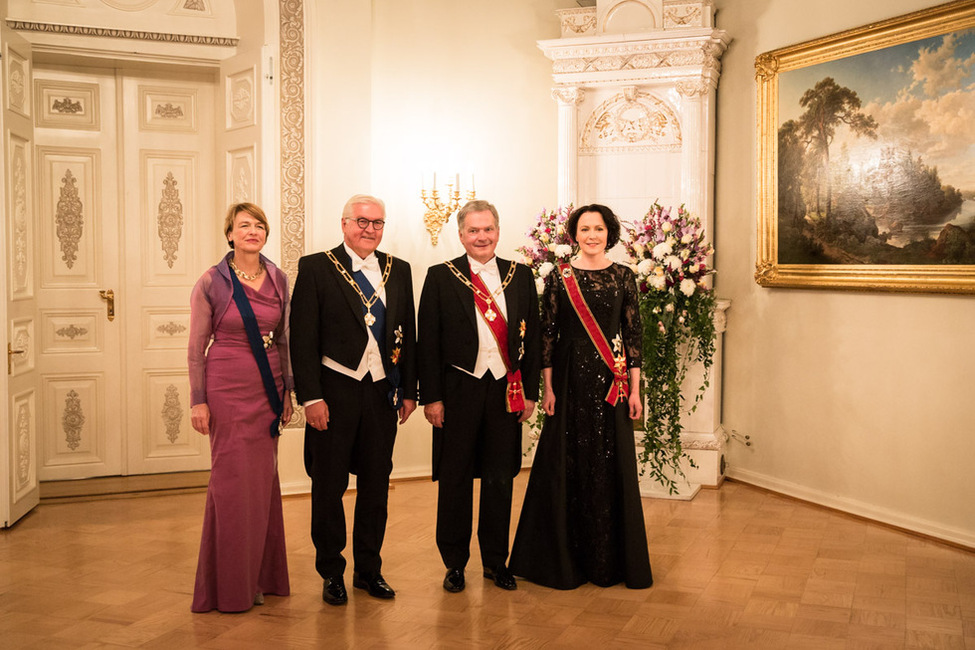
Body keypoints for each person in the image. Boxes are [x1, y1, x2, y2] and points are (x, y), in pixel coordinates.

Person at [509, 204, 653, 590]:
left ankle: (610, 561)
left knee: (610, 463)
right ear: (575, 234)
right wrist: (549, 388)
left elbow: (634, 335)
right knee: (566, 464)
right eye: (585, 229)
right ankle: (564, 560)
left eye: (599, 229)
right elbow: (549, 337)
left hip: (612, 384)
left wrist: (636, 389)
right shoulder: (560, 276)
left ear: (610, 233)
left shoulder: (624, 276)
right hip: (570, 380)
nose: (592, 235)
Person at [289, 194, 417, 606]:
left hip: (382, 393)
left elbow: (407, 336)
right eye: (361, 221)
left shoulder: (399, 270)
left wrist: (409, 390)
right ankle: (331, 571)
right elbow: (303, 338)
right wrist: (311, 397)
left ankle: (369, 570)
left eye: (377, 223)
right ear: (344, 223)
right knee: (329, 486)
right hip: (334, 392)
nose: (369, 229)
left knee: (376, 486)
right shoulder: (316, 267)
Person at [417, 200, 541, 593]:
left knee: (500, 478)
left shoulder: (520, 275)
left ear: (498, 231)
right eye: (473, 231)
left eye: (487, 229)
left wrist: (532, 393)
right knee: (454, 481)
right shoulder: (441, 276)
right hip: (457, 391)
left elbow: (533, 338)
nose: (481, 237)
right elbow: (428, 342)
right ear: (461, 235)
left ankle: (494, 561)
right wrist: (431, 398)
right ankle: (454, 563)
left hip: (506, 390)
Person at [188, 202, 293, 613]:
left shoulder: (280, 278)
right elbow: (196, 349)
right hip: (226, 388)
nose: (253, 231)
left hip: (268, 388)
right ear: (229, 234)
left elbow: (285, 340)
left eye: (259, 225)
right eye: (244, 225)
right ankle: (229, 585)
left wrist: (287, 393)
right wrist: (199, 400)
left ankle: (261, 577)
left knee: (263, 483)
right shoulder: (212, 281)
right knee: (231, 485)